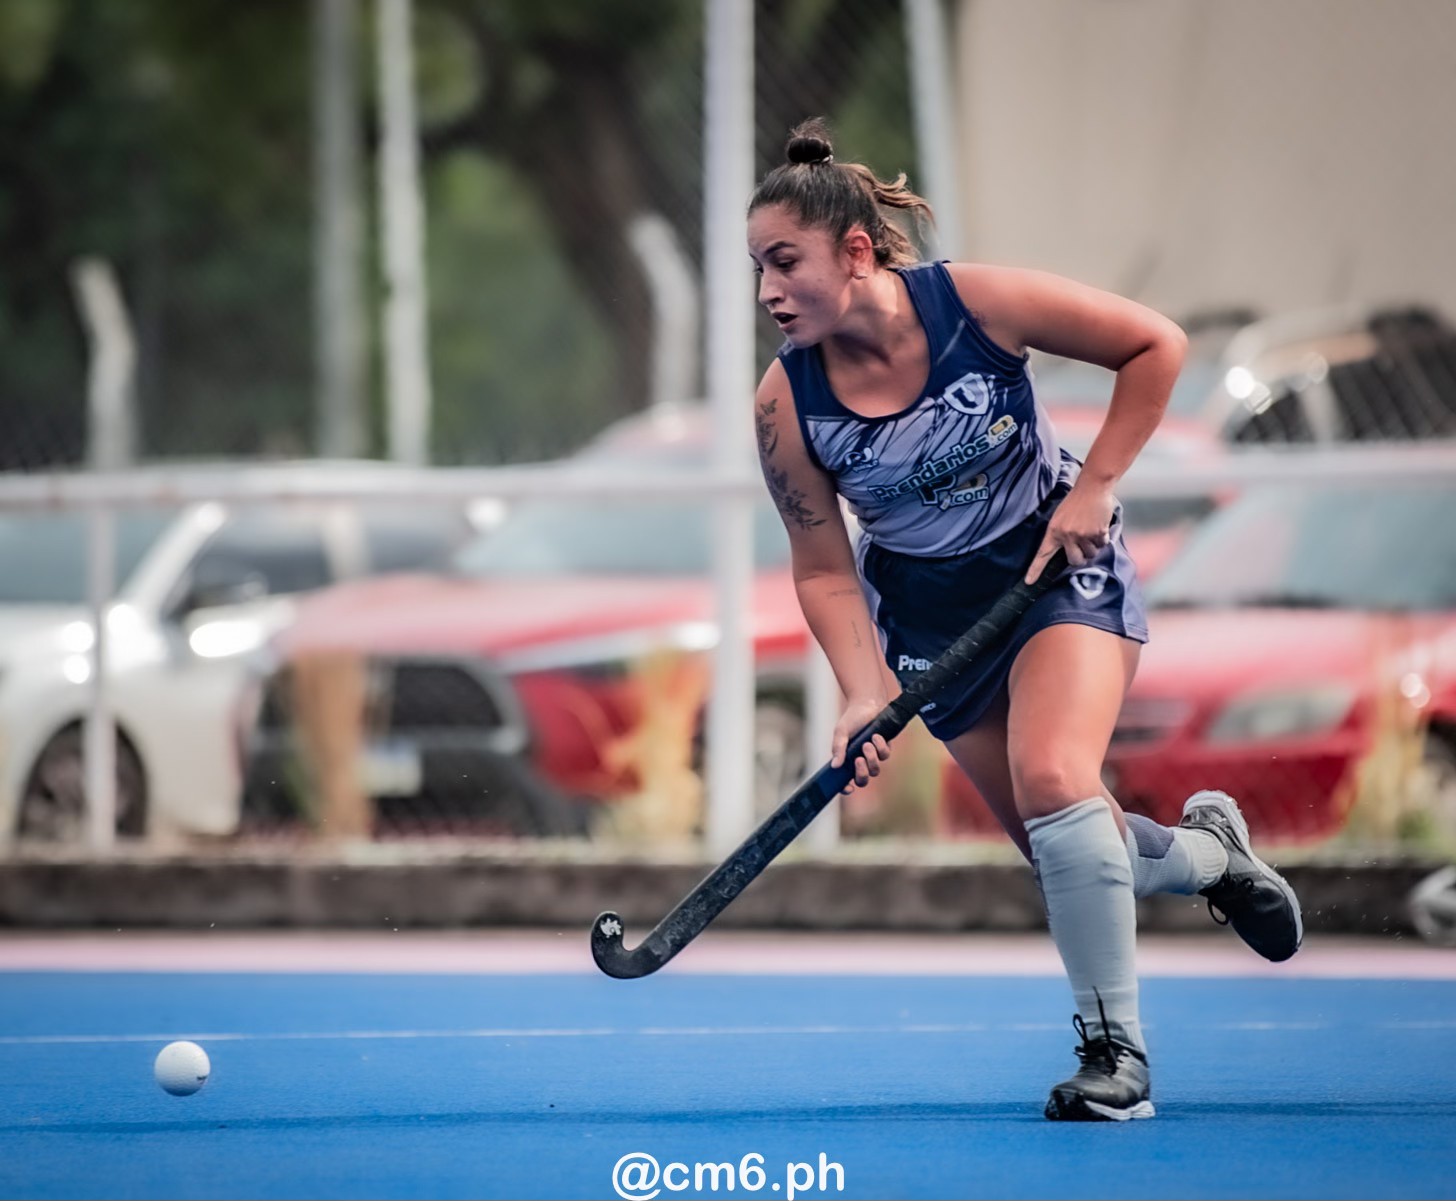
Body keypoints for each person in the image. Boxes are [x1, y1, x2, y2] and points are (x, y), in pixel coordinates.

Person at [748, 118, 1302, 1122]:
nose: (767, 290)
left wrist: (1094, 486)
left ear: (856, 250)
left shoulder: (975, 304)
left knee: (1056, 780)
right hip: (932, 623)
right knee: (1069, 848)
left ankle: (1112, 1059)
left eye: (784, 262)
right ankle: (1213, 856)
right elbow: (822, 563)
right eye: (757, 269)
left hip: (1053, 579)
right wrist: (864, 689)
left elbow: (1153, 344)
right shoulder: (785, 406)